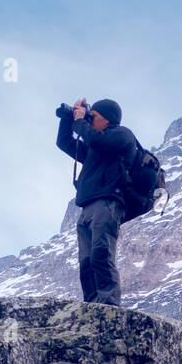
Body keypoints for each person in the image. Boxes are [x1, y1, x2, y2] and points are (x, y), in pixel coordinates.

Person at [55, 98, 137, 307]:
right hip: (87, 206)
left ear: (108, 119)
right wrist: (68, 119)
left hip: (107, 203)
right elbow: (64, 143)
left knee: (101, 254)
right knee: (87, 261)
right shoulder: (95, 148)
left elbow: (97, 141)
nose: (90, 120)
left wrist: (81, 120)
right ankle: (92, 305)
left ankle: (109, 305)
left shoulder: (122, 135)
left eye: (94, 116)